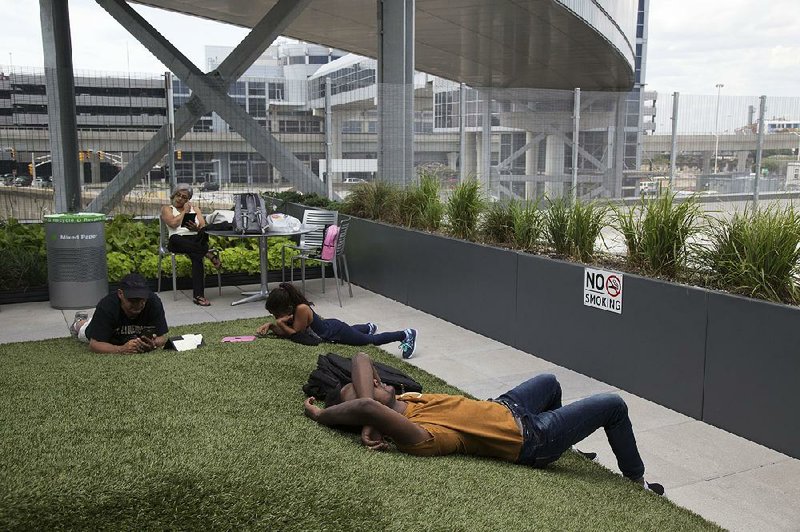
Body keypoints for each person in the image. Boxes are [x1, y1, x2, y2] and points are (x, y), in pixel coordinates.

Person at [303, 352, 664, 495]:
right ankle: (638, 480)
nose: (378, 383)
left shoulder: (407, 400)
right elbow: (367, 403)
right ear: (365, 412)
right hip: (531, 439)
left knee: (549, 381)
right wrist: (324, 416)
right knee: (612, 404)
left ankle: (571, 446)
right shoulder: (420, 437)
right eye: (369, 392)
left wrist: (369, 415)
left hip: (506, 407)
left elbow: (362, 358)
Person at [257, 282, 418, 359]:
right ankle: (368, 326)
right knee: (356, 332)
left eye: (275, 313)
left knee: (370, 341)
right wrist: (271, 326)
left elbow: (298, 336)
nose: (276, 317)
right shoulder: (293, 310)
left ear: (285, 307)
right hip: (332, 328)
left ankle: (405, 335)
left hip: (336, 333)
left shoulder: (301, 309)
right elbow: (287, 332)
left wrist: (278, 324)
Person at [69, 273, 169, 354]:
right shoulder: (107, 306)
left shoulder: (153, 302)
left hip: (125, 331)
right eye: (132, 300)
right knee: (85, 328)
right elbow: (94, 345)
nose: (138, 305)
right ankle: (78, 322)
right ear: (120, 294)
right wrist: (121, 349)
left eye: (142, 300)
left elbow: (162, 337)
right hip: (107, 336)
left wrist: (153, 344)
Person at [160, 183, 221, 306]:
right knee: (179, 239)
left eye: (184, 197)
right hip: (177, 240)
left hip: (194, 239)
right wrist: (185, 212)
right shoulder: (167, 208)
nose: (180, 199)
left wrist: (196, 229)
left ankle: (198, 296)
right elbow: (173, 224)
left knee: (198, 249)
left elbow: (203, 226)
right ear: (173, 195)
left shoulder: (195, 209)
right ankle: (209, 254)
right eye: (178, 195)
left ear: (188, 199)